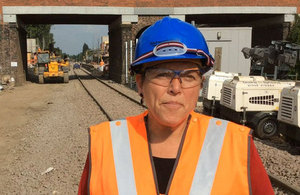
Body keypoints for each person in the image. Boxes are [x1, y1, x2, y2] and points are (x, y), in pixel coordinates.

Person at [78, 17, 274, 195]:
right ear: (140, 83)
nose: (175, 88)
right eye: (162, 74)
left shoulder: (237, 146)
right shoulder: (105, 146)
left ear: (200, 85)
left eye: (189, 76)